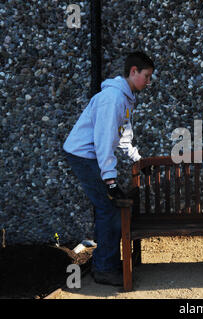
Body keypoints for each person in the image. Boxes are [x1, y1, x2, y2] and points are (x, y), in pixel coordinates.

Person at [63, 51, 154, 286]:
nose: (149, 82)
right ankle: (104, 268)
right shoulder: (113, 98)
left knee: (110, 209)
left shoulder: (125, 98)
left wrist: (138, 161)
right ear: (133, 72)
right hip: (83, 155)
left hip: (90, 155)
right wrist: (110, 181)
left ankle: (106, 263)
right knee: (109, 209)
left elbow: (123, 138)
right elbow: (103, 141)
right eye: (147, 76)